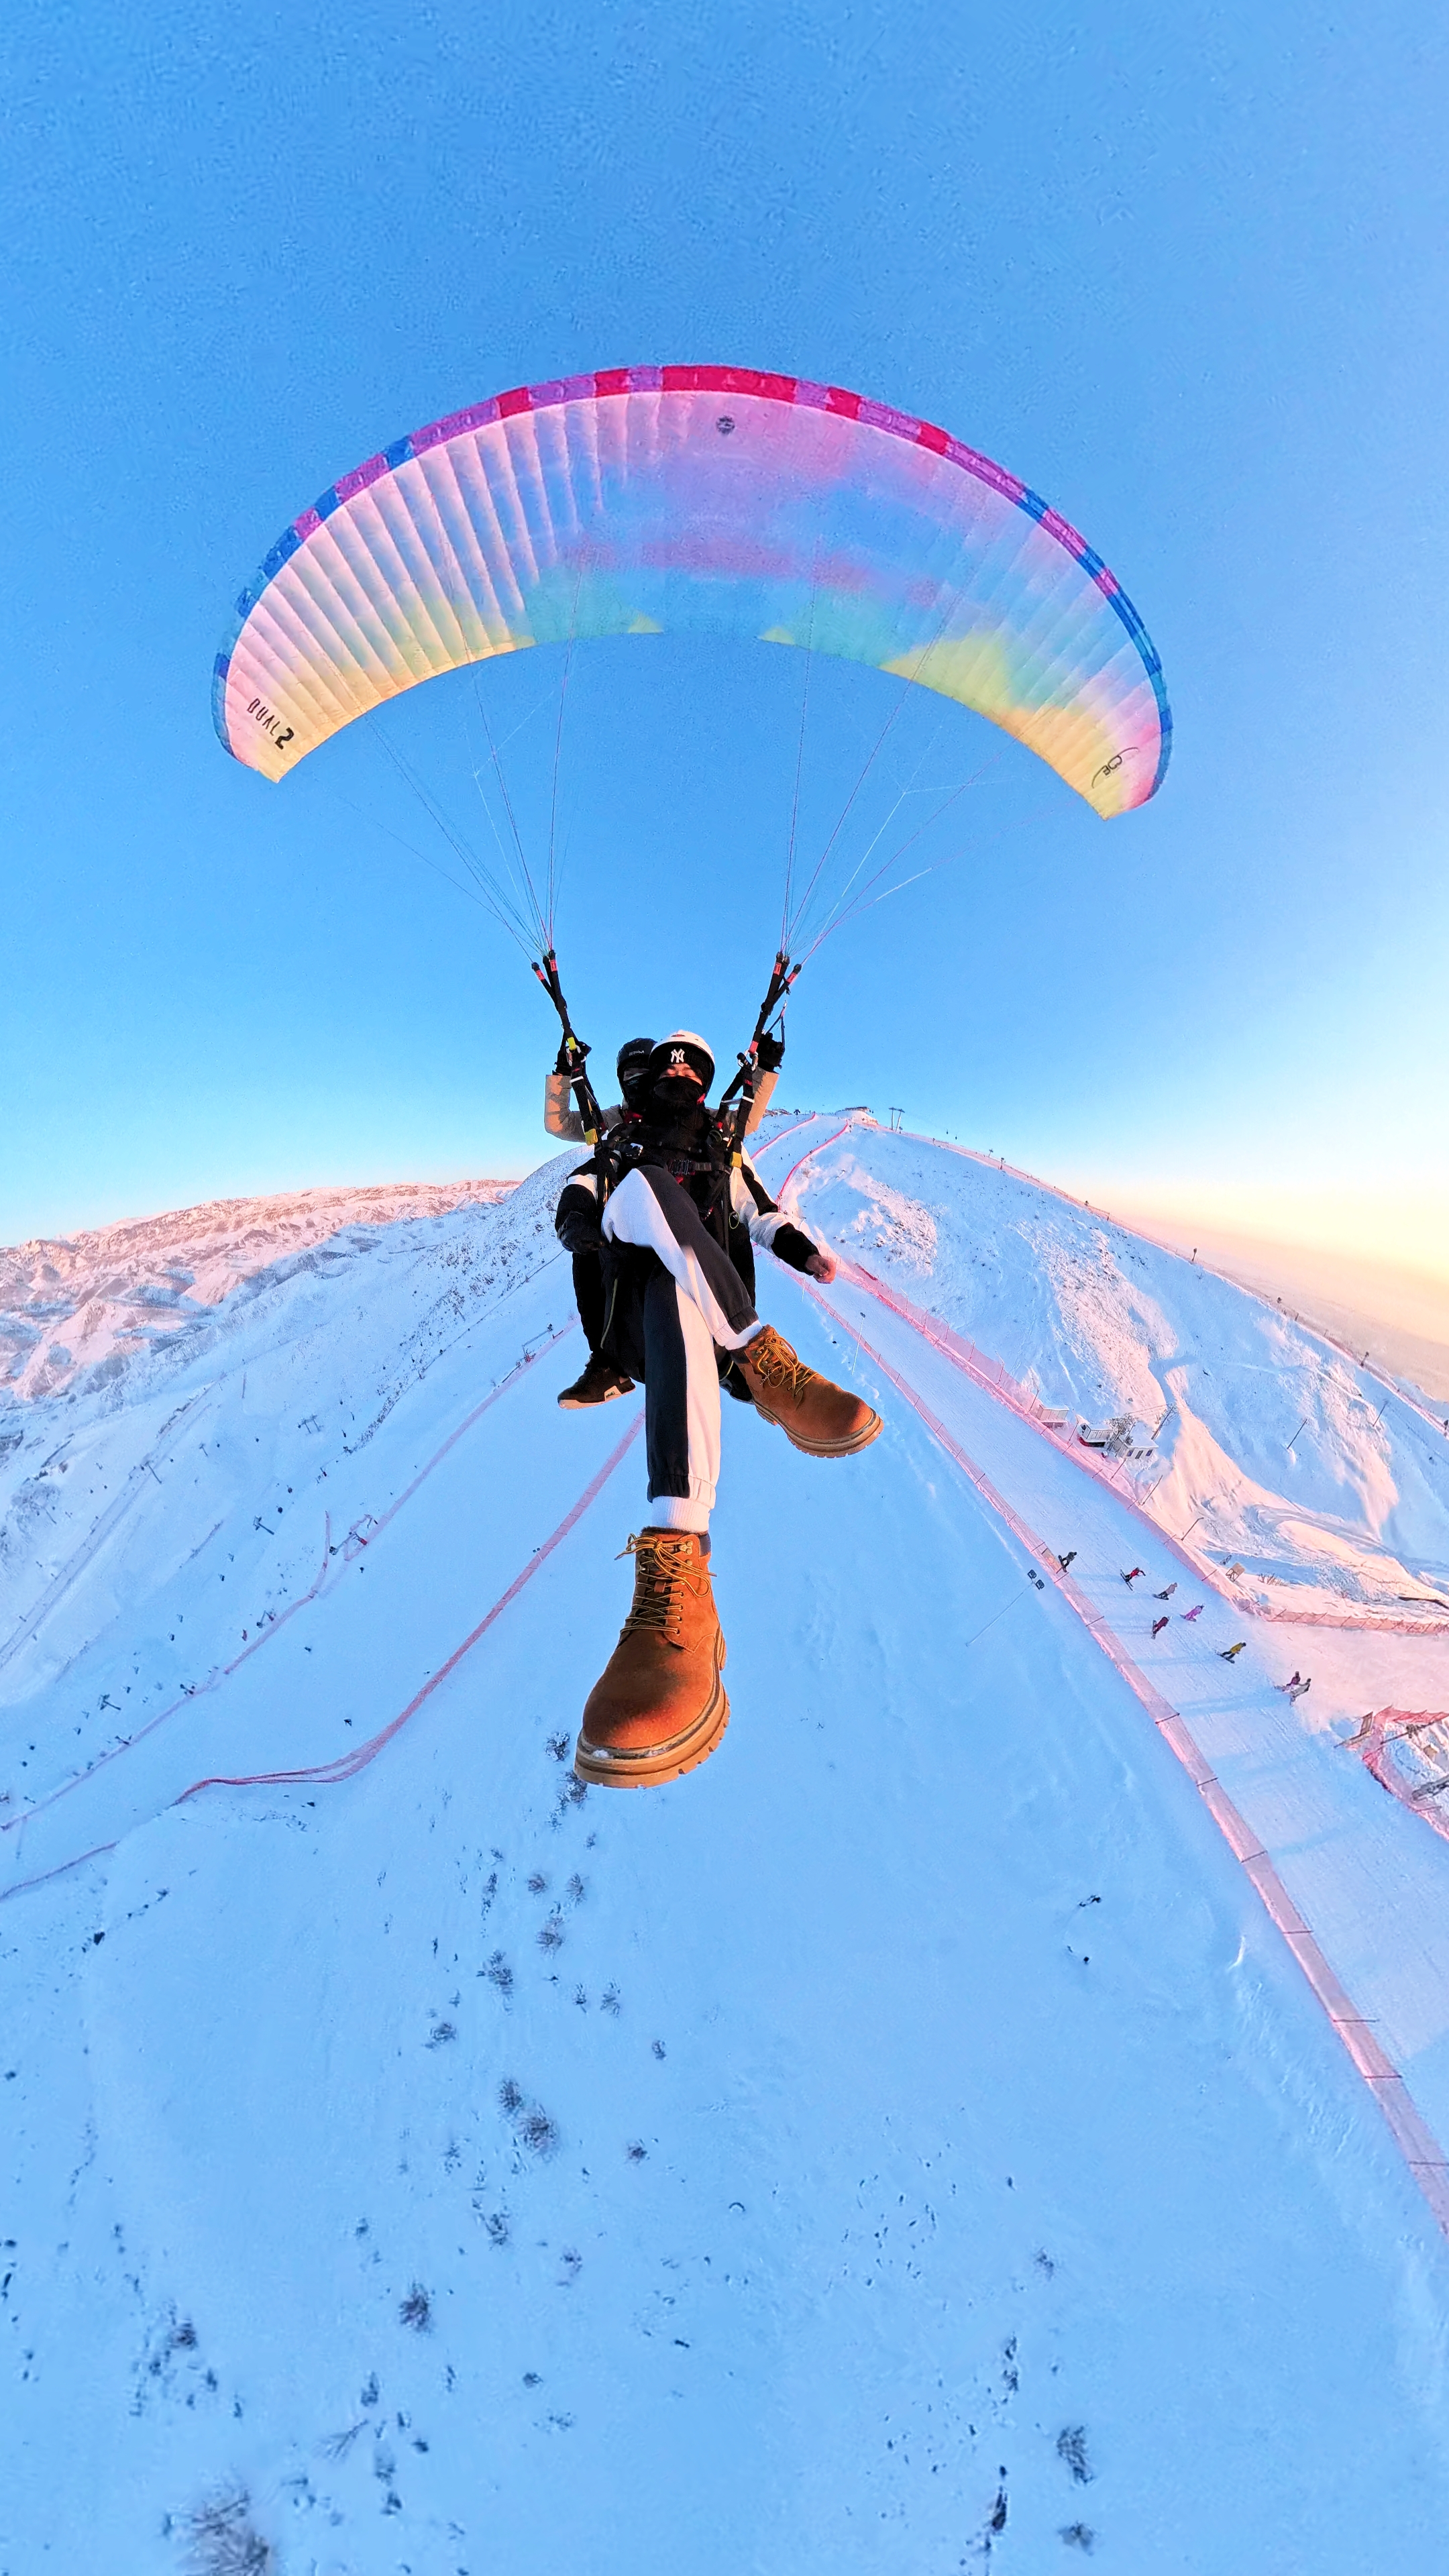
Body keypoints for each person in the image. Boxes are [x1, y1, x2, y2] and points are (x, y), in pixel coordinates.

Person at [553, 1029, 880, 1788]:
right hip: (626, 1315)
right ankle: (764, 1360)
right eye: (666, 1066)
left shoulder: (724, 1152)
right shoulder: (619, 1144)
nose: (676, 1075)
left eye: (689, 1068)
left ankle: (680, 1582)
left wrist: (805, 1253)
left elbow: (762, 1214)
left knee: (678, 1286)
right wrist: (582, 1219)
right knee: (646, 1191)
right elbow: (578, 1186)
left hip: (692, 1325)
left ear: (701, 1082)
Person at [549, 1030, 785, 1408]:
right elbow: (562, 1124)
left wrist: (765, 1071)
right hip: (635, 1210)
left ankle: (736, 1352)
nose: (640, 1083)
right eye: (631, 1077)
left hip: (695, 1207)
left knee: (731, 1221)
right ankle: (607, 1360)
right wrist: (564, 1075)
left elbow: (743, 1121)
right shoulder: (617, 1121)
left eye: (647, 1074)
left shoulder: (698, 1117)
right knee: (589, 1248)